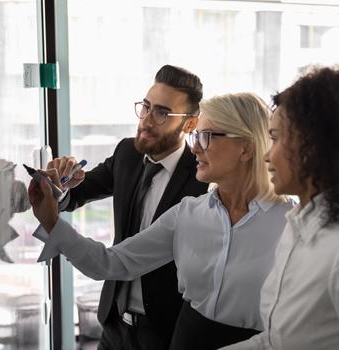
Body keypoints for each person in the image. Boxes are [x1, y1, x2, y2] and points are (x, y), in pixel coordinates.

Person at [29, 92, 293, 350]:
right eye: (195, 136)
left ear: (246, 148)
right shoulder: (187, 214)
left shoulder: (291, 223)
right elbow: (111, 263)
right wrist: (53, 223)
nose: (195, 147)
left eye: (206, 136)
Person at [45, 65, 209, 350]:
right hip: (113, 326)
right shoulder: (127, 154)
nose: (146, 120)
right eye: (145, 107)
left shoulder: (202, 178)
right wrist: (62, 183)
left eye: (161, 113)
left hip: (166, 333)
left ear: (190, 124)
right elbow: (75, 194)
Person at [220, 66, 339, 350]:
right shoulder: (297, 225)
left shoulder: (334, 248)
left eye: (275, 138)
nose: (266, 155)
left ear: (311, 145)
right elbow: (275, 342)